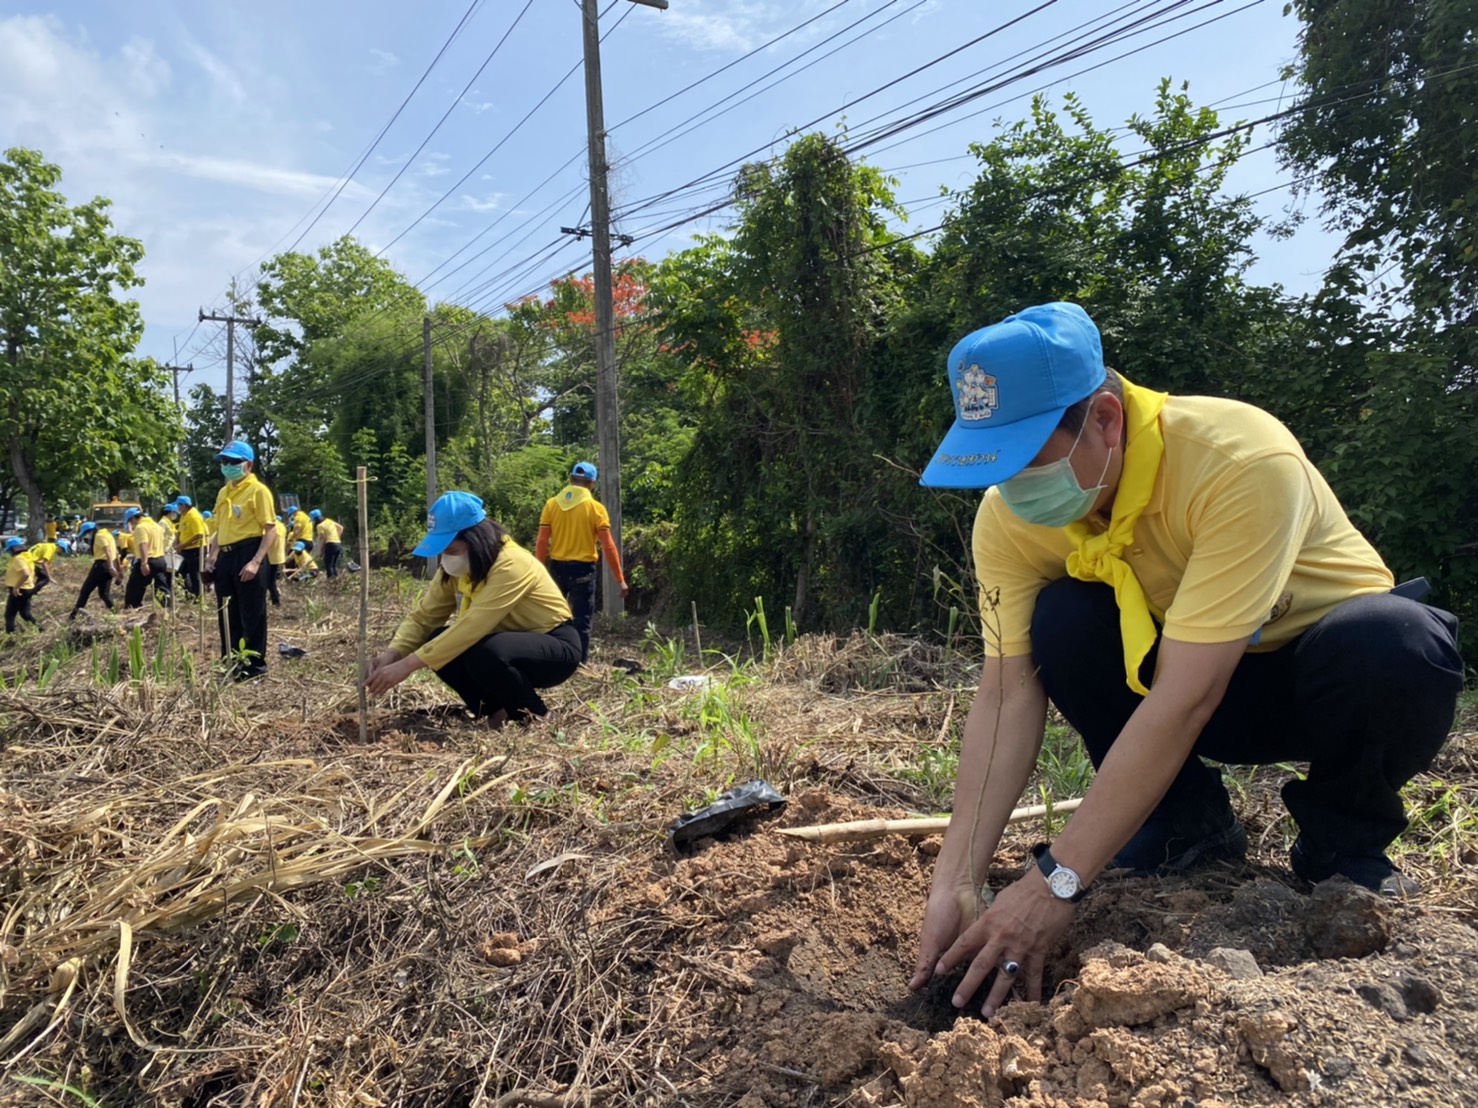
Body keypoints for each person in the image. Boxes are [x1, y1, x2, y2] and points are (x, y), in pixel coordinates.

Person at [910, 302, 1464, 1019]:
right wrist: (958, 876)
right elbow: (1005, 695)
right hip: (1181, 686)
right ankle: (1185, 825)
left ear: (1105, 419)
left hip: (1312, 678)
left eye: (1028, 459)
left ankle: (1343, 849)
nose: (1014, 488)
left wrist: (1056, 881)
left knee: (1392, 641)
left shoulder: (1236, 459)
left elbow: (1185, 698)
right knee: (1065, 620)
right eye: (995, 465)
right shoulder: (1010, 521)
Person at [366, 491, 580, 725]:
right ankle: (495, 711)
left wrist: (407, 666)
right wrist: (392, 654)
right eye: (443, 552)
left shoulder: (512, 564)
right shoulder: (456, 569)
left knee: (485, 652)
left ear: (475, 540)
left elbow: (471, 627)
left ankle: (538, 717)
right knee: (437, 637)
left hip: (553, 648)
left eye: (452, 550)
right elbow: (425, 617)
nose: (447, 559)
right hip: (500, 643)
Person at [535, 461, 628, 663]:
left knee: (552, 618)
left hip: (556, 569)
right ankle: (579, 663)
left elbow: (542, 541)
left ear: (570, 480)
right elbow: (609, 546)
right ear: (592, 484)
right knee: (582, 621)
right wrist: (620, 579)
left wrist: (537, 571)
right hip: (583, 572)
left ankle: (550, 659)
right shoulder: (596, 508)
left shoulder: (551, 504)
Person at [204, 441, 275, 681]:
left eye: (234, 462)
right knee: (226, 611)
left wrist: (256, 562)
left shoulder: (258, 491)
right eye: (224, 461)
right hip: (226, 554)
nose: (227, 466)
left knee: (252, 612)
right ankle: (231, 661)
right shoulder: (224, 492)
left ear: (249, 465)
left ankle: (254, 667)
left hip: (249, 551)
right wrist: (211, 556)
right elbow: (219, 527)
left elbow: (270, 530)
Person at [70, 521, 122, 617]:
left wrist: (111, 566)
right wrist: (118, 570)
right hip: (107, 566)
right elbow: (116, 553)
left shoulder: (100, 535)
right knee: (104, 593)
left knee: (85, 591)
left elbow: (108, 551)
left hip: (101, 566)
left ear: (91, 531)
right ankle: (116, 613)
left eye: (87, 533)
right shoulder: (108, 534)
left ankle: (74, 615)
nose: (88, 536)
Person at [122, 507, 170, 609]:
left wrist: (144, 563)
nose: (132, 523)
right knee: (161, 587)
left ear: (134, 518)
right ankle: (168, 607)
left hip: (148, 560)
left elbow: (143, 544)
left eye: (131, 521)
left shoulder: (141, 527)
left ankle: (132, 608)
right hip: (160, 559)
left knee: (134, 587)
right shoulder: (156, 526)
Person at [174, 496, 208, 597]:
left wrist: (182, 545)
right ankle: (190, 594)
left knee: (195, 574)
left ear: (184, 505)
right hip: (185, 550)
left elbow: (199, 535)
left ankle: (198, 597)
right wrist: (176, 543)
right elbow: (179, 531)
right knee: (181, 573)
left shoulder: (194, 516)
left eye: (179, 505)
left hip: (195, 550)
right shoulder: (184, 515)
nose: (177, 507)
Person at [5, 537, 39, 633]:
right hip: (27, 589)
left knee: (9, 615)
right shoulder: (27, 556)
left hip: (19, 590)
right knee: (25, 613)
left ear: (13, 549)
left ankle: (10, 636)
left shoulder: (18, 559)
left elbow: (26, 574)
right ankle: (41, 629)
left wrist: (16, 587)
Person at [311, 509, 344, 579]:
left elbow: (323, 538)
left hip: (330, 544)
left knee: (328, 564)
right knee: (333, 565)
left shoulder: (319, 526)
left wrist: (321, 550)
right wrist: (336, 537)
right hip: (338, 543)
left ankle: (331, 581)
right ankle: (336, 580)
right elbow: (341, 528)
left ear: (315, 519)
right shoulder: (329, 521)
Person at [264, 515, 287, 607]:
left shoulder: (270, 527)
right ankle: (275, 598)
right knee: (271, 580)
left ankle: (276, 600)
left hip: (269, 557)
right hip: (278, 557)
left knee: (269, 581)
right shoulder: (282, 526)